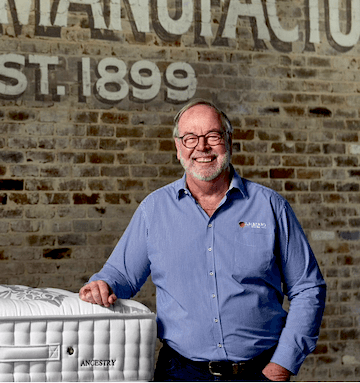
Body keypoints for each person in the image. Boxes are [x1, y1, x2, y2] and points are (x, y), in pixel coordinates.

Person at [79, 100, 326, 382]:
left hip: (259, 372)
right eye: (190, 138)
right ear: (178, 147)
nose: (202, 147)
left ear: (228, 141)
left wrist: (282, 365)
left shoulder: (271, 207)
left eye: (212, 136)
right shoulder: (154, 210)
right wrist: (103, 284)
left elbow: (308, 289)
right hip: (179, 373)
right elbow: (121, 274)